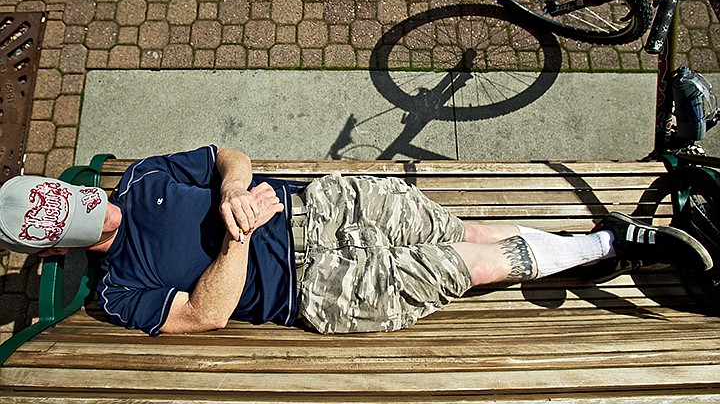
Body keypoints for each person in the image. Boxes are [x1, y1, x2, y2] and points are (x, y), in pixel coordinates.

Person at [0, 145, 713, 336]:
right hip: (315, 290)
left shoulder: (144, 178)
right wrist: (237, 241)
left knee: (455, 229)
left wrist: (230, 189)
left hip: (324, 209)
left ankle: (601, 244)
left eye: (89, 199)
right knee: (459, 263)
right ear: (68, 244)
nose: (107, 211)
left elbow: (231, 157)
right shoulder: (119, 293)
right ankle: (616, 243)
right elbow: (204, 316)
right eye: (93, 224)